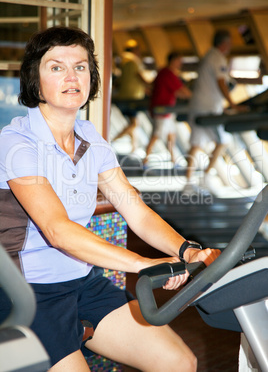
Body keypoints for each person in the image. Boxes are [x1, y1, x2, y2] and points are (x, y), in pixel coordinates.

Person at [0, 26, 220, 372]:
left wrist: (185, 249)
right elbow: (58, 231)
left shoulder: (90, 136)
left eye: (81, 66)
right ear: (34, 78)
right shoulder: (17, 142)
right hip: (28, 294)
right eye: (56, 67)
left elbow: (136, 211)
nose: (72, 76)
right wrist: (143, 263)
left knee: (179, 362)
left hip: (84, 283)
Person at [184, 29, 238, 194]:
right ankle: (204, 178)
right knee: (222, 142)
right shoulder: (217, 58)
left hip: (201, 105)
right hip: (207, 109)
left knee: (196, 144)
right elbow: (221, 83)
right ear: (224, 44)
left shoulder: (209, 56)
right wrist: (232, 104)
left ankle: (190, 182)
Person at [143, 51, 192, 167]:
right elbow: (182, 90)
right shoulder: (168, 73)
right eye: (179, 61)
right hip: (162, 110)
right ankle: (145, 160)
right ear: (173, 61)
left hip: (167, 110)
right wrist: (195, 98)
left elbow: (176, 90)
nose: (181, 64)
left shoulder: (163, 72)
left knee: (171, 134)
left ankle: (173, 159)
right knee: (156, 135)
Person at [112, 39, 149, 152]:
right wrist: (151, 86)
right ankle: (112, 140)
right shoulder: (134, 61)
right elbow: (140, 77)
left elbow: (120, 80)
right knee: (134, 123)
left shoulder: (123, 61)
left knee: (133, 123)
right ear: (135, 50)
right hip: (132, 98)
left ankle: (134, 148)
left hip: (123, 96)